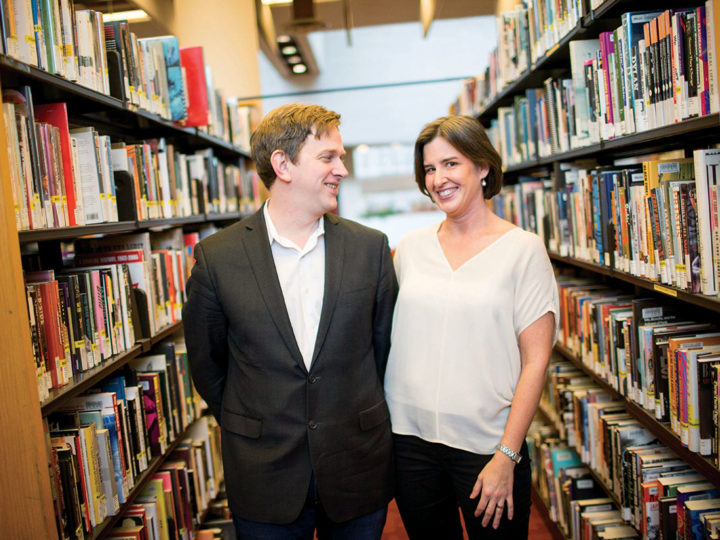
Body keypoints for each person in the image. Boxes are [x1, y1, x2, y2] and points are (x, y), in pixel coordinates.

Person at [183, 103, 398, 540]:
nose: (342, 168)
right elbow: (209, 365)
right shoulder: (218, 258)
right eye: (328, 157)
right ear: (282, 164)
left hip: (356, 466)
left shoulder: (369, 248)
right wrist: (257, 419)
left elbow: (382, 351)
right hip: (264, 474)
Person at [384, 115, 558, 539]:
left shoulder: (523, 251)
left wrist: (507, 456)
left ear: (482, 167)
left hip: (487, 447)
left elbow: (536, 362)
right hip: (409, 445)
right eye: (429, 169)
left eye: (450, 163)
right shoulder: (409, 249)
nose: (438, 178)